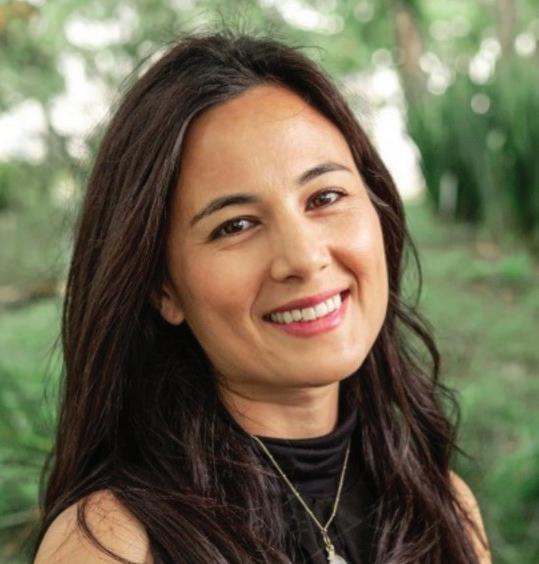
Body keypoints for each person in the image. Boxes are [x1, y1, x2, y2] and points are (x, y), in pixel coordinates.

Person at [33, 30, 490, 563]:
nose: (304, 257)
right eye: (236, 225)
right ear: (163, 288)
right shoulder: (112, 545)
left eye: (325, 196)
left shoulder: (444, 506)